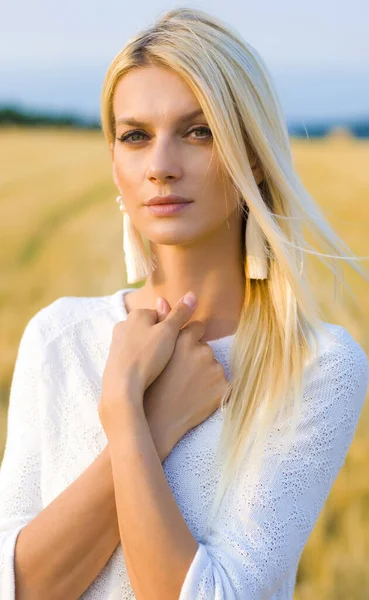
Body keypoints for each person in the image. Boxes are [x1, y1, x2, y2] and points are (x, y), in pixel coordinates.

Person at [1, 6, 368, 600]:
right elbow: (17, 588)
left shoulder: (315, 366)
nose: (161, 167)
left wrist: (125, 416)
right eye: (135, 136)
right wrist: (148, 419)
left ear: (251, 154)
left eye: (199, 132)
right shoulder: (57, 337)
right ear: (115, 162)